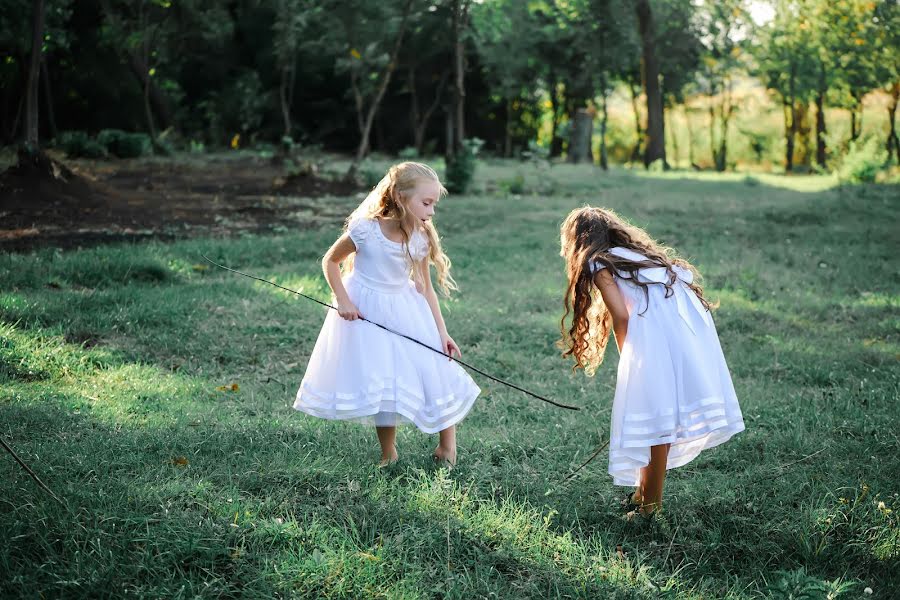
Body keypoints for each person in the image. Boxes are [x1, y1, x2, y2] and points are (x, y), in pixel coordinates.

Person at [558, 206, 744, 516]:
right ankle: (643, 493)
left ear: (579, 242)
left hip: (660, 340)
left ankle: (650, 507)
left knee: (658, 420)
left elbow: (620, 314)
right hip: (686, 335)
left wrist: (628, 355)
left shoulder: (598, 262)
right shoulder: (637, 257)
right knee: (659, 415)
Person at [294, 162, 480, 467]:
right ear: (399, 196)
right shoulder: (365, 230)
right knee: (383, 381)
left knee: (433, 371)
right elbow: (330, 261)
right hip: (367, 311)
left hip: (405, 310)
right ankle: (388, 451)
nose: (432, 211)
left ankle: (448, 446)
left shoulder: (419, 237)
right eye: (426, 202)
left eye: (434, 204)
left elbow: (427, 290)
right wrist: (342, 300)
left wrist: (442, 333)